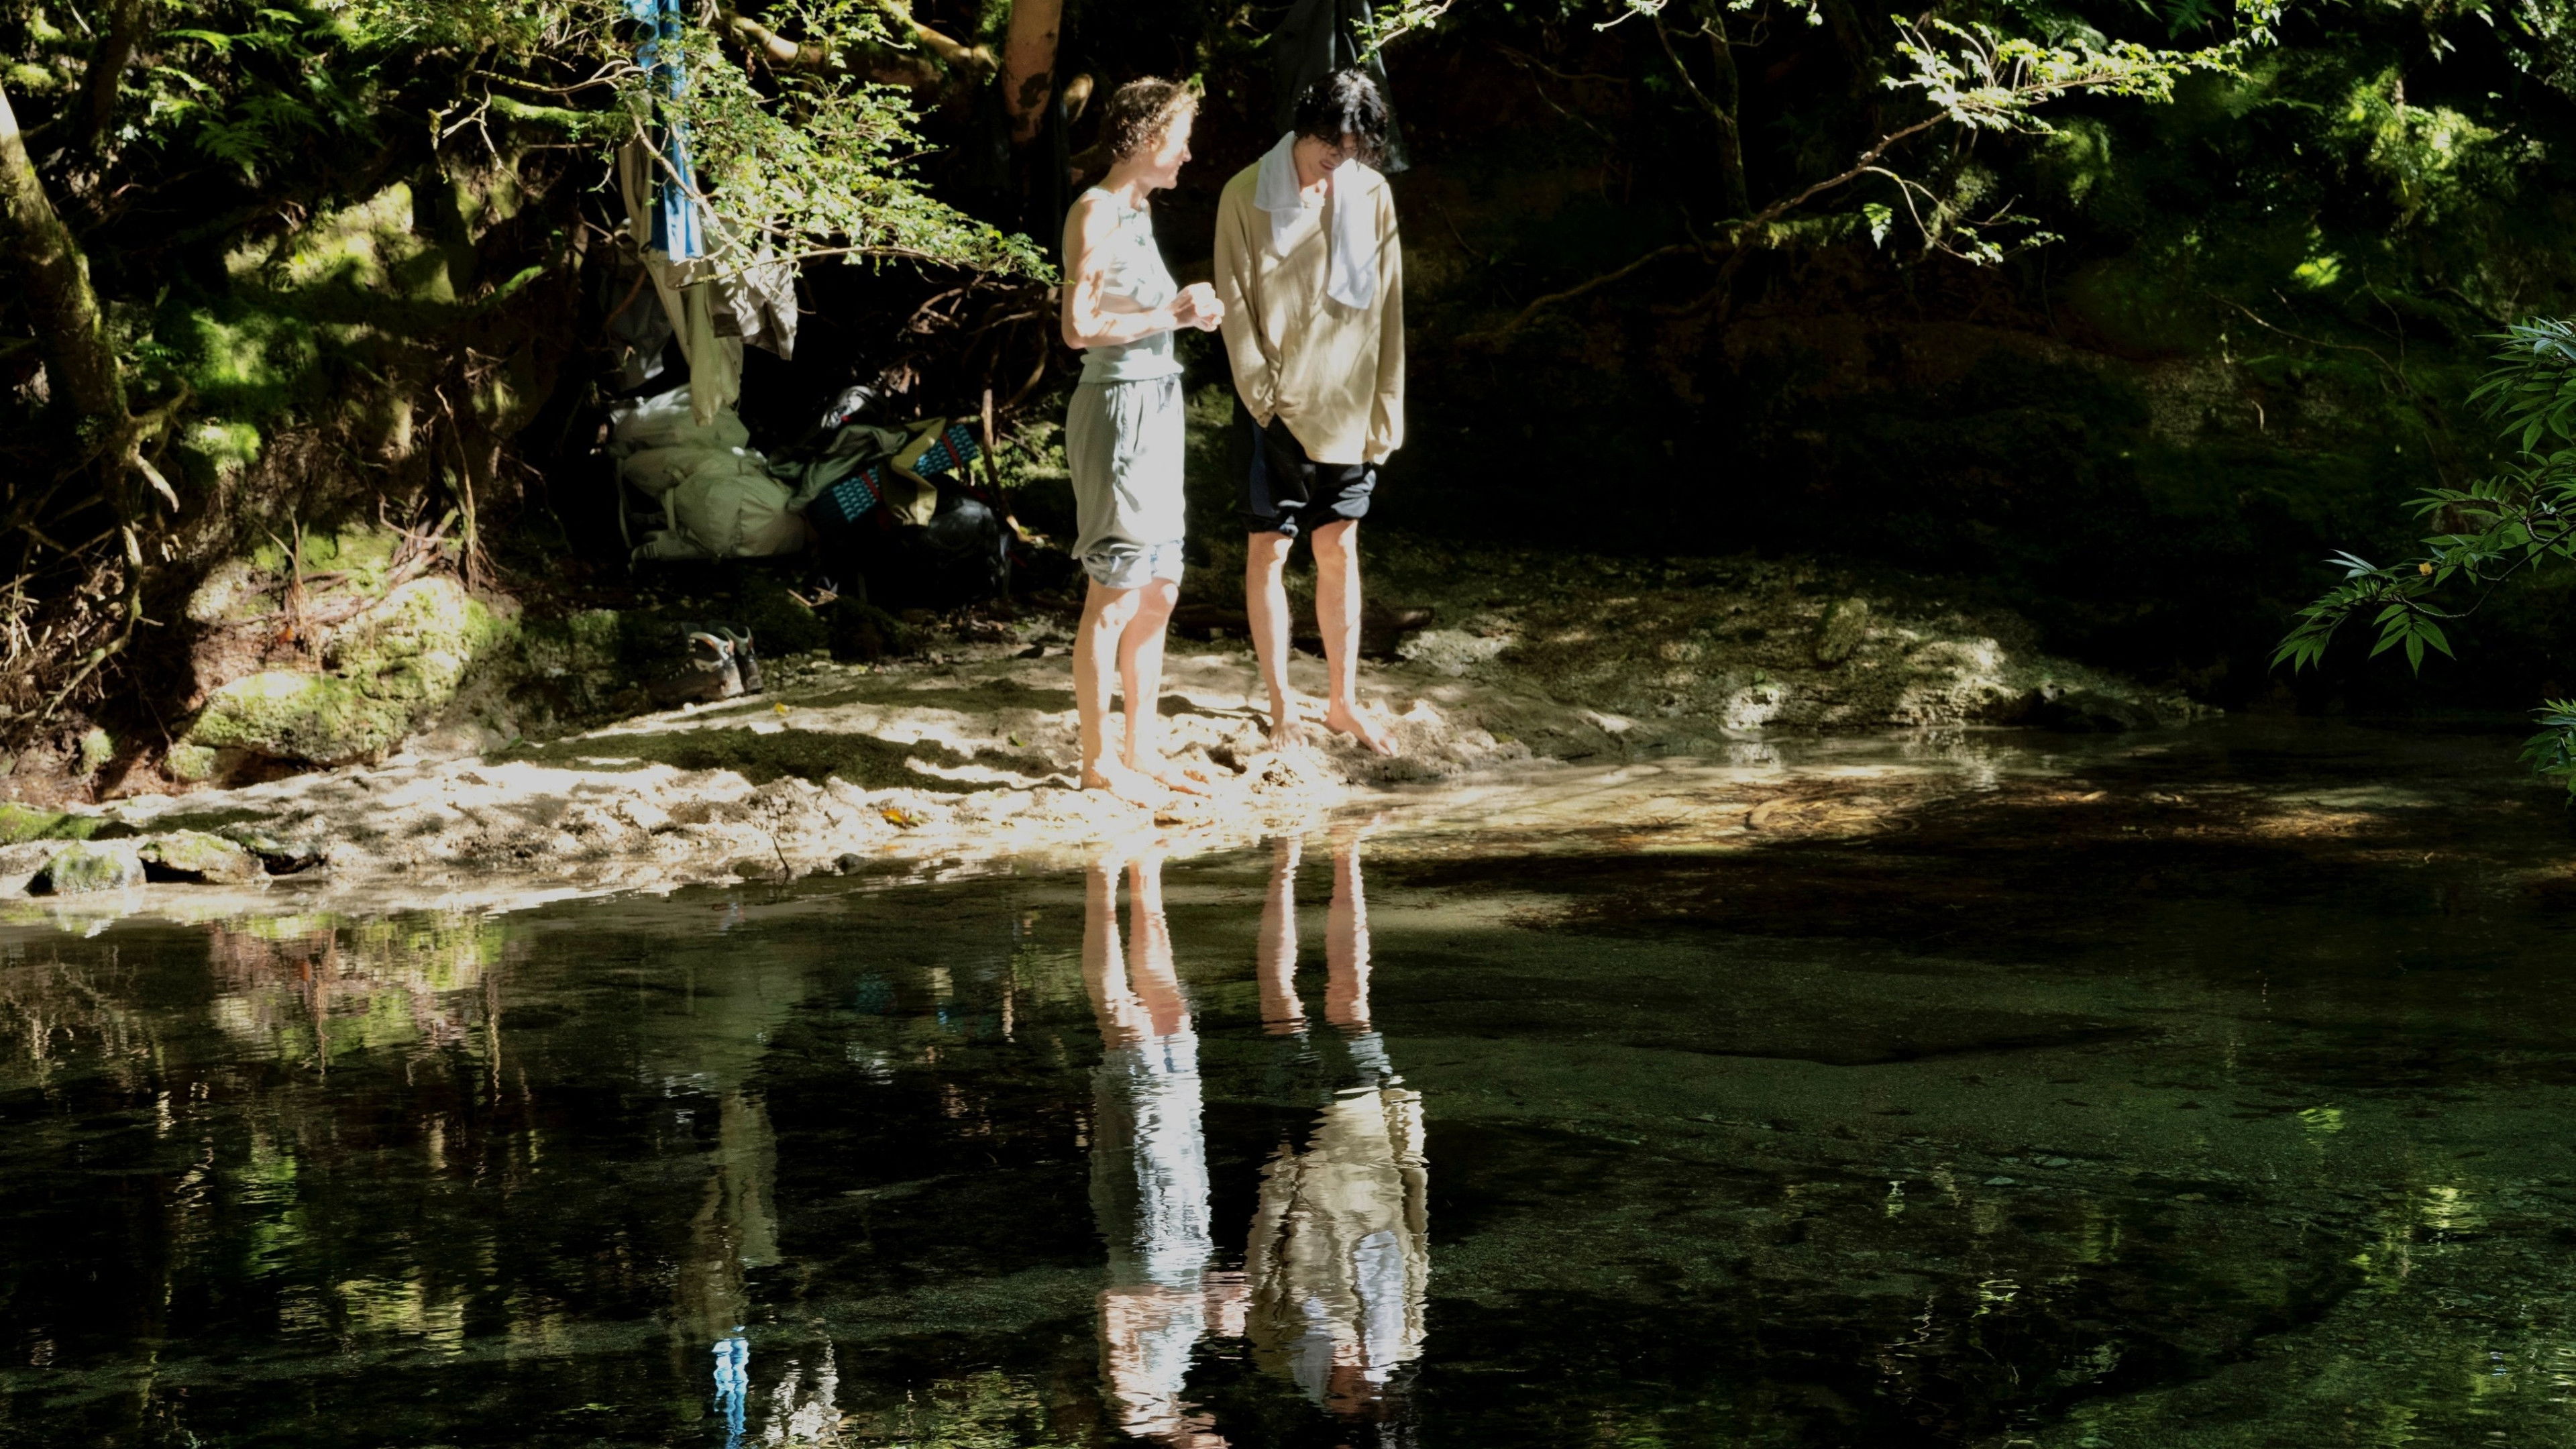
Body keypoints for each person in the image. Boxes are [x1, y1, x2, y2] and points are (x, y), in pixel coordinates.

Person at [1214, 68, 1405, 755]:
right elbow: (1234, 303)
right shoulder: (1245, 193)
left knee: (1339, 546)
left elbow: (1389, 307)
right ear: (1306, 124)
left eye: (1353, 145)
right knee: (1270, 549)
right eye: (1330, 139)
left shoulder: (1372, 194)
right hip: (1274, 406)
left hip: (1348, 401)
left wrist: (1387, 404)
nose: (1339, 155)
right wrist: (1263, 396)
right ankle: (1280, 703)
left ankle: (1342, 701)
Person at [1062, 79, 1224, 806]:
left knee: (1160, 587)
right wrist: (1173, 314)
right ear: (1141, 138)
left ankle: (1141, 750)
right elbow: (1079, 329)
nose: (1188, 152)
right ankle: (1099, 762)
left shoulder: (1138, 209)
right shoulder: (1095, 211)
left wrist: (1191, 312)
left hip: (1158, 403)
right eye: (1180, 136)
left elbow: (1151, 313)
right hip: (1119, 409)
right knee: (1117, 592)